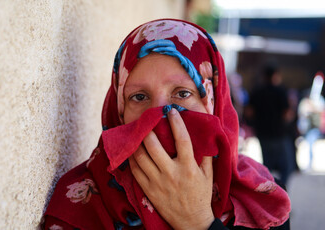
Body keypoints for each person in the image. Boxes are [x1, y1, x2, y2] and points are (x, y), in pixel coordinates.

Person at [43, 19, 290, 230]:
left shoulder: (259, 201)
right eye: (139, 97)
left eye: (182, 94)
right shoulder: (81, 202)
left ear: (212, 102)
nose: (159, 115)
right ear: (118, 112)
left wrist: (199, 221)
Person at [246, 64, 295, 186]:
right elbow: (287, 113)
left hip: (263, 133)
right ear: (275, 75)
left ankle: (270, 190)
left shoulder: (257, 91)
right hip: (279, 134)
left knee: (267, 165)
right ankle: (281, 188)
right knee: (287, 166)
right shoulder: (281, 91)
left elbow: (249, 112)